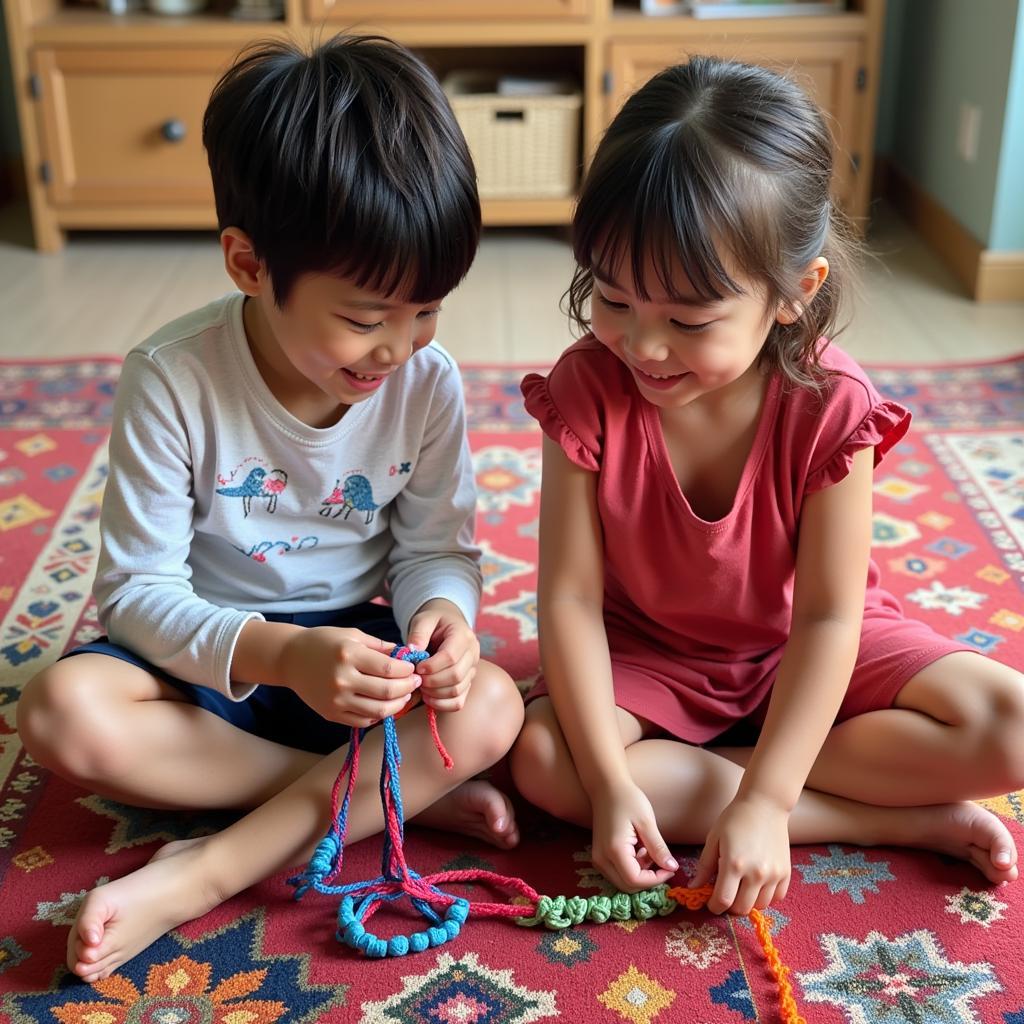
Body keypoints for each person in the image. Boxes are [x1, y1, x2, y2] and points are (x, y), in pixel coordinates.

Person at [16, 34, 524, 983]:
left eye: (429, 312)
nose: (398, 349)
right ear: (249, 265)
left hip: (364, 663)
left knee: (492, 707)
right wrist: (284, 655)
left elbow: (433, 551)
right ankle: (386, 791)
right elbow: (135, 595)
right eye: (367, 320)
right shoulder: (172, 379)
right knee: (63, 712)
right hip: (220, 653)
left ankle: (211, 867)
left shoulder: (426, 380)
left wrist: (443, 618)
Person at [510, 55, 1024, 918]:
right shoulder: (585, 391)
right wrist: (608, 784)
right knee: (546, 763)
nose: (643, 346)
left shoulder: (833, 403)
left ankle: (756, 780)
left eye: (689, 319)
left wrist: (765, 798)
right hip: (653, 656)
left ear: (793, 292)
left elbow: (829, 617)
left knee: (1012, 728)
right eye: (612, 299)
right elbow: (565, 599)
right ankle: (877, 820)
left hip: (804, 646)